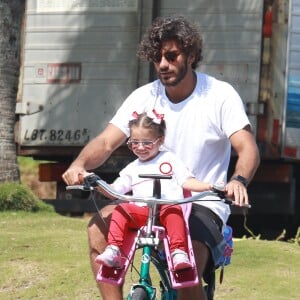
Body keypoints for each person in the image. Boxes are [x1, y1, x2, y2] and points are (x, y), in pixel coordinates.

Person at [62, 15, 260, 300]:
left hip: (198, 203)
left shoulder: (219, 95)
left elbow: (247, 146)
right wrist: (79, 165)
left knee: (188, 264)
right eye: (157, 58)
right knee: (97, 228)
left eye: (171, 55)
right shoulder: (144, 96)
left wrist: (238, 180)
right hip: (144, 202)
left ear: (191, 55)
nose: (163, 65)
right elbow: (107, 142)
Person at [93, 111, 212, 271]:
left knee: (174, 210)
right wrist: (96, 183)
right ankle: (113, 250)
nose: (140, 147)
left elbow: (187, 182)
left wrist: (209, 186)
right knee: (121, 209)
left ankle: (178, 252)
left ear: (160, 140)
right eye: (134, 143)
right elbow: (115, 191)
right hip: (142, 215)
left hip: (166, 211)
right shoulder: (133, 168)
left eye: (147, 143)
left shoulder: (170, 159)